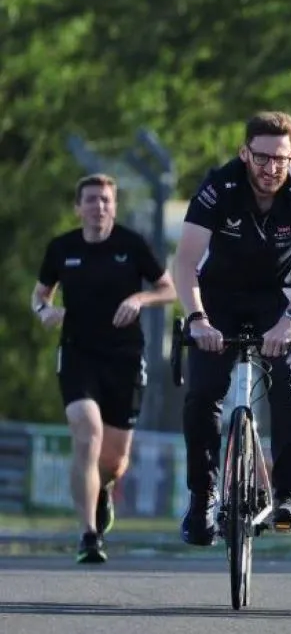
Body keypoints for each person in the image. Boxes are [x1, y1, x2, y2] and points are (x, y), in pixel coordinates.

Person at [172, 111, 291, 546]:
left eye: (280, 159)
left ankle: (288, 494)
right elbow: (185, 262)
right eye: (261, 157)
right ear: (245, 153)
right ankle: (202, 496)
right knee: (203, 393)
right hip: (218, 295)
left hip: (278, 297)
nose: (270, 168)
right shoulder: (219, 185)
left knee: (288, 381)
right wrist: (197, 318)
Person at [31, 173, 177, 563]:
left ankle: (103, 489)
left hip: (124, 358)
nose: (99, 206)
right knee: (86, 431)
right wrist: (44, 311)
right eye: (92, 200)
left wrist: (139, 299)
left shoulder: (132, 245)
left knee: (114, 461)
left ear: (114, 206)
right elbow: (40, 294)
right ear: (78, 207)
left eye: (106, 200)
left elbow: (169, 289)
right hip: (77, 355)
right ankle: (88, 535)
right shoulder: (62, 248)